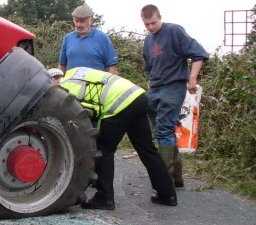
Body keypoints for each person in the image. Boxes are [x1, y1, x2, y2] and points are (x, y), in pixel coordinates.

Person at [59, 67, 177, 210]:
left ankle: (105, 198)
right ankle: (167, 194)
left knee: (104, 150)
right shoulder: (75, 72)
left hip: (118, 103)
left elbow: (79, 121)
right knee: (147, 148)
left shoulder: (64, 90)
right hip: (137, 96)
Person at [140, 4, 209, 187]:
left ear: (160, 17)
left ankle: (165, 183)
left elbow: (199, 54)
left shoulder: (174, 31)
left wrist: (192, 78)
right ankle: (176, 179)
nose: (151, 27)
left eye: (153, 23)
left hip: (173, 86)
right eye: (147, 24)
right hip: (154, 88)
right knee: (161, 132)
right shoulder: (148, 40)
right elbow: (150, 67)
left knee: (163, 130)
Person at [58, 5, 119, 74]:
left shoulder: (102, 38)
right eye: (76, 21)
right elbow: (62, 65)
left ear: (91, 20)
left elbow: (112, 67)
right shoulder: (68, 38)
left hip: (95, 84)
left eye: (82, 21)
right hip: (70, 83)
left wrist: (110, 83)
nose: (78, 25)